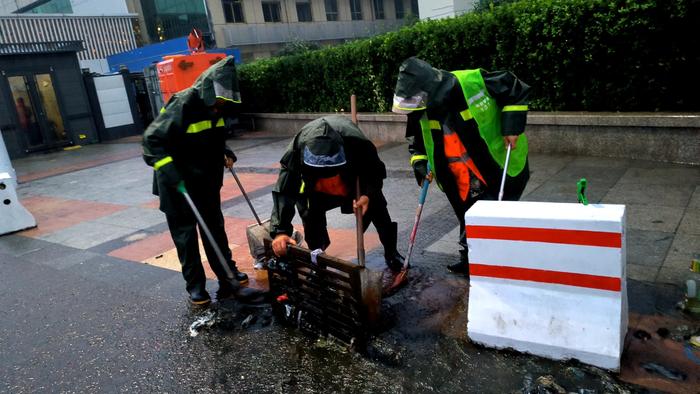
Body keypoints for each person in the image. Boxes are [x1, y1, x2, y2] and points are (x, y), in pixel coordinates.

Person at [392, 57, 531, 275]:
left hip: (492, 164)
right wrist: (419, 164)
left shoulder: (471, 82)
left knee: (494, 216)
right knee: (467, 216)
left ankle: (501, 264)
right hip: (456, 175)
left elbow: (513, 87)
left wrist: (512, 126)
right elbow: (417, 143)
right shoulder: (421, 107)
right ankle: (469, 260)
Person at [143, 56, 255, 306]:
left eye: (226, 97)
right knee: (186, 237)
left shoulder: (219, 106)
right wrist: (169, 170)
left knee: (214, 228)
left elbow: (211, 137)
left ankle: (228, 274)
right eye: (219, 96)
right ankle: (196, 287)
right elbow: (152, 140)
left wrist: (224, 151)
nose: (221, 103)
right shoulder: (184, 103)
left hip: (205, 181)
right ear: (208, 88)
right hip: (177, 183)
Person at [269, 115, 405, 276]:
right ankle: (318, 260)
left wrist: (367, 195)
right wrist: (280, 231)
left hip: (349, 180)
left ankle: (392, 253)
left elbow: (374, 171)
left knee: (378, 206)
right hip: (315, 190)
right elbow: (284, 190)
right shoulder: (296, 151)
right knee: (311, 217)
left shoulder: (357, 143)